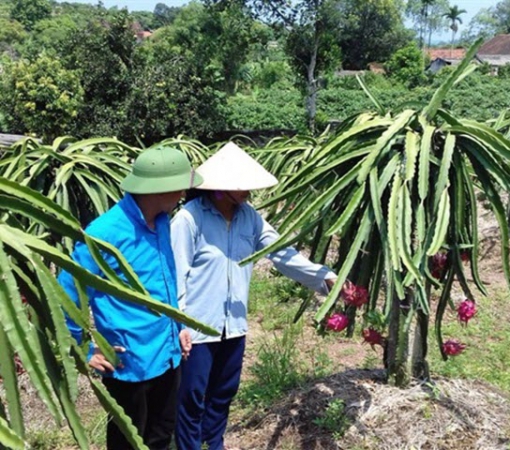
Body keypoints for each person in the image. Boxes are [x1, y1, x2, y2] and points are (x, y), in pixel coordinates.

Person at [171, 142, 345, 450]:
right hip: (197, 326)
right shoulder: (189, 219)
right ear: (219, 187)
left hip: (233, 324)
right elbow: (177, 274)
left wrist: (324, 277)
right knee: (192, 396)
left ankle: (215, 444)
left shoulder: (249, 217)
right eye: (241, 187)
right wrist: (179, 323)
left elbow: (281, 253)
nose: (248, 193)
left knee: (224, 391)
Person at [58, 146, 203, 450]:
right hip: (129, 363)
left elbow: (163, 282)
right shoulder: (105, 233)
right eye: (180, 186)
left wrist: (179, 327)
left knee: (162, 434)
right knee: (128, 442)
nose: (183, 194)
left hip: (168, 354)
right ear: (159, 189)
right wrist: (84, 349)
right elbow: (67, 292)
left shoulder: (163, 222)